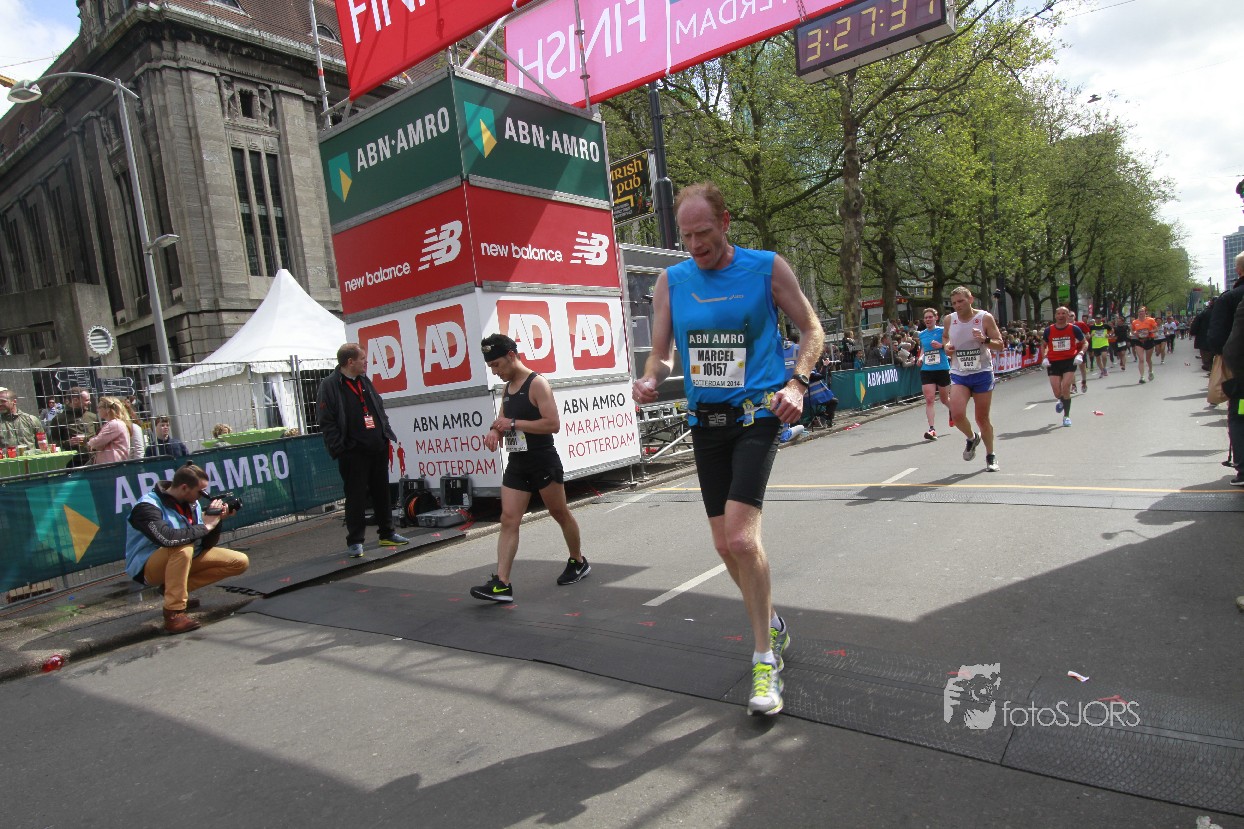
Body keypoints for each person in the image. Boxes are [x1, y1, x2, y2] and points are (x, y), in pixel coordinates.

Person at [632, 181, 824, 716]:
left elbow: (811, 329)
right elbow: (662, 354)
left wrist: (797, 383)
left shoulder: (765, 268)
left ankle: (764, 660)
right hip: (705, 423)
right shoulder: (672, 281)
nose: (695, 245)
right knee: (723, 545)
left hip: (756, 415)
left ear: (725, 222)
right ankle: (773, 622)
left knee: (741, 537)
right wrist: (649, 378)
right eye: (686, 237)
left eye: (704, 233)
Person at [470, 334, 589, 603]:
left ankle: (578, 561)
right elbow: (502, 419)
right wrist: (494, 431)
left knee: (559, 513)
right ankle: (502, 583)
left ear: (511, 356)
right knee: (508, 519)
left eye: (497, 365)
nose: (495, 371)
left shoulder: (537, 384)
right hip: (518, 463)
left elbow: (552, 424)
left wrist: (514, 424)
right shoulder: (507, 388)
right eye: (490, 366)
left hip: (542, 460)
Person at [124, 463, 249, 633]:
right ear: (184, 488)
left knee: (239, 562)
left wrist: (216, 520)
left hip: (183, 556)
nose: (204, 496)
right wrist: (205, 526)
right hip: (146, 567)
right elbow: (168, 538)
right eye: (200, 491)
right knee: (183, 547)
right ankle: (173, 613)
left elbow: (206, 544)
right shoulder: (146, 507)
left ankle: (173, 592)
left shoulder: (192, 504)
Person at [316, 343, 409, 557]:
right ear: (350, 362)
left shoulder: (364, 380)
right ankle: (355, 541)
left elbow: (378, 408)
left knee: (382, 493)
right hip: (353, 452)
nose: (366, 362)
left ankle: (387, 532)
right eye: (362, 359)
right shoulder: (330, 386)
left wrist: (385, 434)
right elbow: (326, 421)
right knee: (356, 496)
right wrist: (341, 448)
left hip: (377, 446)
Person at [942, 286, 1005, 472]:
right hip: (959, 372)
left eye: (961, 301)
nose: (957, 305)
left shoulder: (985, 318)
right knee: (957, 414)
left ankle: (990, 455)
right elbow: (945, 337)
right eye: (954, 303)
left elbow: (1000, 345)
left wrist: (985, 339)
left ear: (970, 300)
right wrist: (946, 346)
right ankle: (972, 437)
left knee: (982, 418)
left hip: (981, 372)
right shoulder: (949, 319)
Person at [1038, 307, 1087, 427]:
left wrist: (1080, 354)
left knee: (1065, 387)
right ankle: (1060, 400)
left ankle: (1066, 416)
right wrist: (1044, 357)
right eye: (1058, 313)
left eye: (1064, 313)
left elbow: (1085, 342)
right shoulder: (1049, 330)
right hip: (1054, 362)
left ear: (1068, 315)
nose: (1061, 316)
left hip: (1069, 361)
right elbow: (1043, 344)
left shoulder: (1074, 328)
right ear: (1055, 316)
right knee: (1056, 391)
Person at [917, 307, 952, 440]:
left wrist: (941, 346)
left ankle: (953, 411)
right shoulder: (922, 334)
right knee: (929, 399)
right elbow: (924, 349)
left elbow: (951, 346)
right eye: (926, 317)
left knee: (944, 399)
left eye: (930, 317)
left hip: (942, 368)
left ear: (936, 318)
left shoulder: (943, 331)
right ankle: (932, 429)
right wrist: (920, 358)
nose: (928, 319)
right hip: (927, 370)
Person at [48, 387, 99, 467]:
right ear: (75, 400)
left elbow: (100, 435)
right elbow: (52, 443)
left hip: (95, 460)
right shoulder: (59, 419)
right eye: (86, 400)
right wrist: (68, 443)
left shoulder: (93, 417)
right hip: (73, 462)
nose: (90, 402)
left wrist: (89, 439)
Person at [87, 396, 131, 464]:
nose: (97, 410)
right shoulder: (114, 423)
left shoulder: (114, 424)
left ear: (107, 409)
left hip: (113, 465)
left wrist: (91, 442)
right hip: (112, 463)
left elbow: (96, 442)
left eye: (99, 407)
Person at [1130, 307, 1160, 383]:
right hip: (1139, 341)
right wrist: (1135, 333)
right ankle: (1142, 377)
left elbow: (1156, 329)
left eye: (1142, 311)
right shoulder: (1134, 322)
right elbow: (1132, 331)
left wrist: (1149, 331)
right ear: (1138, 313)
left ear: (1145, 313)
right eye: (1139, 312)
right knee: (1141, 359)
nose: (1141, 313)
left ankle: (1150, 371)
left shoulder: (1150, 320)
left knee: (1148, 359)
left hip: (1149, 340)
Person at [1072, 312, 1091, 392]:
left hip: (1080, 349)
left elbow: (1088, 335)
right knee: (1071, 369)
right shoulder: (1064, 326)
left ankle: (1084, 382)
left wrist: (1080, 339)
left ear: (1075, 316)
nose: (1070, 317)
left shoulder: (1080, 324)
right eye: (1069, 316)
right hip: (1070, 350)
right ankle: (1073, 386)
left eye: (1072, 315)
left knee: (1082, 367)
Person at [1088, 313, 1111, 379]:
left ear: (1101, 319)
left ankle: (1104, 367)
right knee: (1098, 358)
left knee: (1104, 356)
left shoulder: (1105, 325)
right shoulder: (1092, 327)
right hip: (1095, 345)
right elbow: (1088, 335)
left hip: (1104, 343)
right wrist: (1090, 335)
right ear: (1095, 319)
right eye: (1097, 319)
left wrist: (1108, 335)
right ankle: (1102, 370)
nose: (1098, 320)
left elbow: (1111, 330)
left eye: (1099, 318)